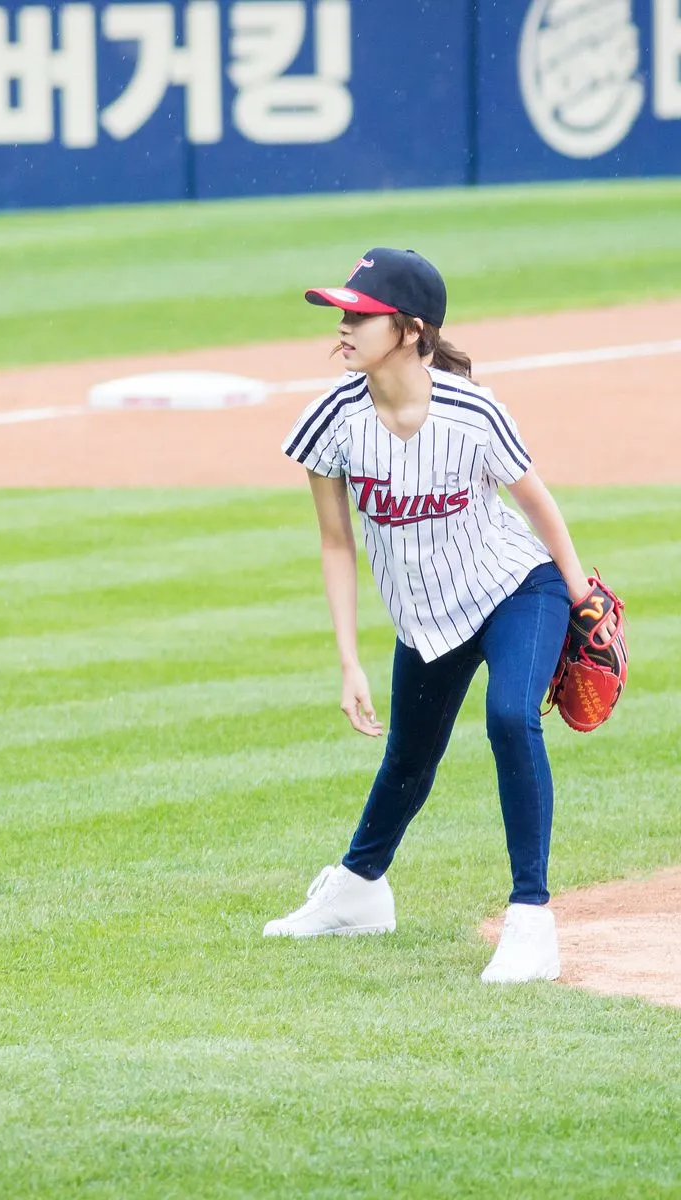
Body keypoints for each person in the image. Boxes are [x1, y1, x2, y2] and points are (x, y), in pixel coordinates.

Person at [264, 247, 597, 983]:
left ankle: (531, 921)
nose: (344, 327)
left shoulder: (473, 410)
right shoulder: (332, 420)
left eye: (363, 315)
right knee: (409, 759)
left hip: (517, 588)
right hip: (426, 620)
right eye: (342, 314)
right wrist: (349, 661)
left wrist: (579, 595)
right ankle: (358, 892)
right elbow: (335, 542)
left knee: (512, 716)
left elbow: (535, 501)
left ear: (412, 329)